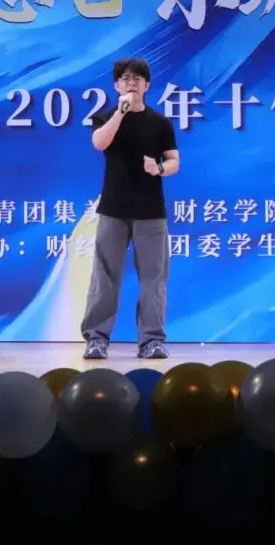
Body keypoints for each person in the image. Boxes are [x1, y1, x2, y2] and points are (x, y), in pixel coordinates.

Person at [82, 57, 179, 360]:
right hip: (114, 208)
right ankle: (96, 339)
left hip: (151, 211)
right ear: (116, 85)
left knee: (154, 279)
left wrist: (158, 168)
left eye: (137, 79)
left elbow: (174, 161)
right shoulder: (105, 117)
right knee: (104, 276)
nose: (131, 83)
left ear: (147, 85)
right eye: (125, 78)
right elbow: (99, 143)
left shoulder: (160, 123)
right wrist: (121, 113)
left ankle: (152, 341)